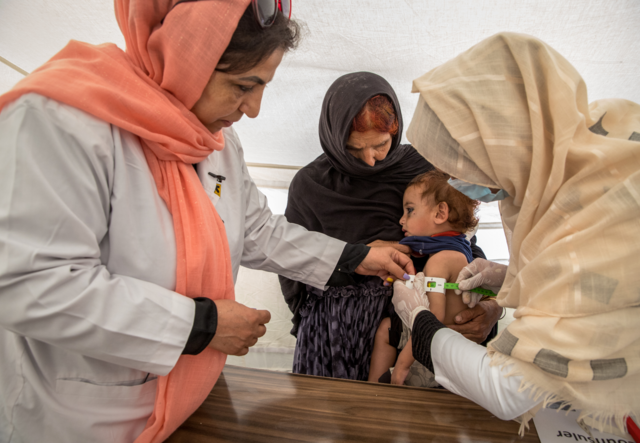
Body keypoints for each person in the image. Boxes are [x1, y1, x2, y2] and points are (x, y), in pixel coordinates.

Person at [0, 2, 415, 442]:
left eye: (262, 87)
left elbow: (256, 230)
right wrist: (201, 324)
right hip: (78, 418)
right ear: (185, 58)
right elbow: (30, 282)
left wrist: (356, 258)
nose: (253, 108)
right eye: (243, 85)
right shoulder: (60, 120)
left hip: (190, 399)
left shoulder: (215, 142)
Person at [394, 32, 640, 436]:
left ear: (504, 143)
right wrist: (510, 281)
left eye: (465, 161)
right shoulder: (579, 169)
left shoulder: (601, 203)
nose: (459, 180)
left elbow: (510, 391)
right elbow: (600, 291)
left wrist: (418, 319)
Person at [278, 72, 497, 381]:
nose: (370, 160)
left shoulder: (424, 169)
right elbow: (290, 261)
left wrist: (489, 307)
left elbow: (460, 239)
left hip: (413, 329)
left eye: (381, 145)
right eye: (354, 150)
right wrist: (312, 323)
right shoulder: (310, 185)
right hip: (333, 333)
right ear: (333, 137)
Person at [368, 170, 480, 386]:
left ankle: (376, 392)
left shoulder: (441, 260)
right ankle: (374, 390)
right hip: (440, 339)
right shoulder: (457, 249)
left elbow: (433, 319)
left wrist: (403, 364)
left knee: (387, 332)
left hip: (438, 352)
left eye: (410, 210)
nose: (402, 220)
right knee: (387, 327)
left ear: (440, 214)